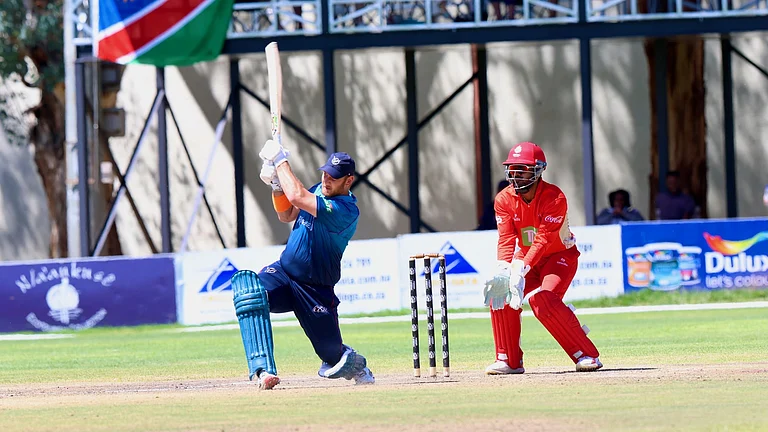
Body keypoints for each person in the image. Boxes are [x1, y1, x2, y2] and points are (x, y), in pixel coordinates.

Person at [229, 140, 375, 390]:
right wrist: (276, 185)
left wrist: (280, 160)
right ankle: (263, 370)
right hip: (285, 274)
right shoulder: (319, 189)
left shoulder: (346, 211)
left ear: (348, 181)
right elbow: (286, 213)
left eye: (334, 177)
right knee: (250, 292)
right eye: (326, 173)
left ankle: (355, 364)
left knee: (333, 357)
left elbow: (296, 195)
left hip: (315, 289)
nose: (327, 180)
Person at [482, 141, 603, 374]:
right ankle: (508, 360)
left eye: (522, 169)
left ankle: (587, 355)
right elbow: (507, 239)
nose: (516, 175)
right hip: (528, 258)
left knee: (543, 300)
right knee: (501, 293)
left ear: (538, 170)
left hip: (559, 257)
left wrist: (522, 269)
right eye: (513, 169)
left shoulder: (554, 197)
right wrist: (503, 269)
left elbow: (544, 239)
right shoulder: (504, 200)